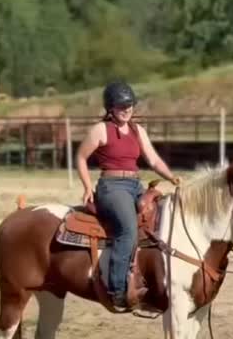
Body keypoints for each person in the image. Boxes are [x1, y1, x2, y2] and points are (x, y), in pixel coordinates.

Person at [75, 80, 180, 311]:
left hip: (135, 184)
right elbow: (81, 157)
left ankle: (152, 277)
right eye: (121, 106)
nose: (126, 109)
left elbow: (152, 159)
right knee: (128, 229)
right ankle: (117, 289)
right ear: (110, 108)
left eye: (130, 104)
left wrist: (171, 177)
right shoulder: (101, 130)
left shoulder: (136, 129)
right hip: (112, 187)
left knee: (158, 217)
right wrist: (86, 186)